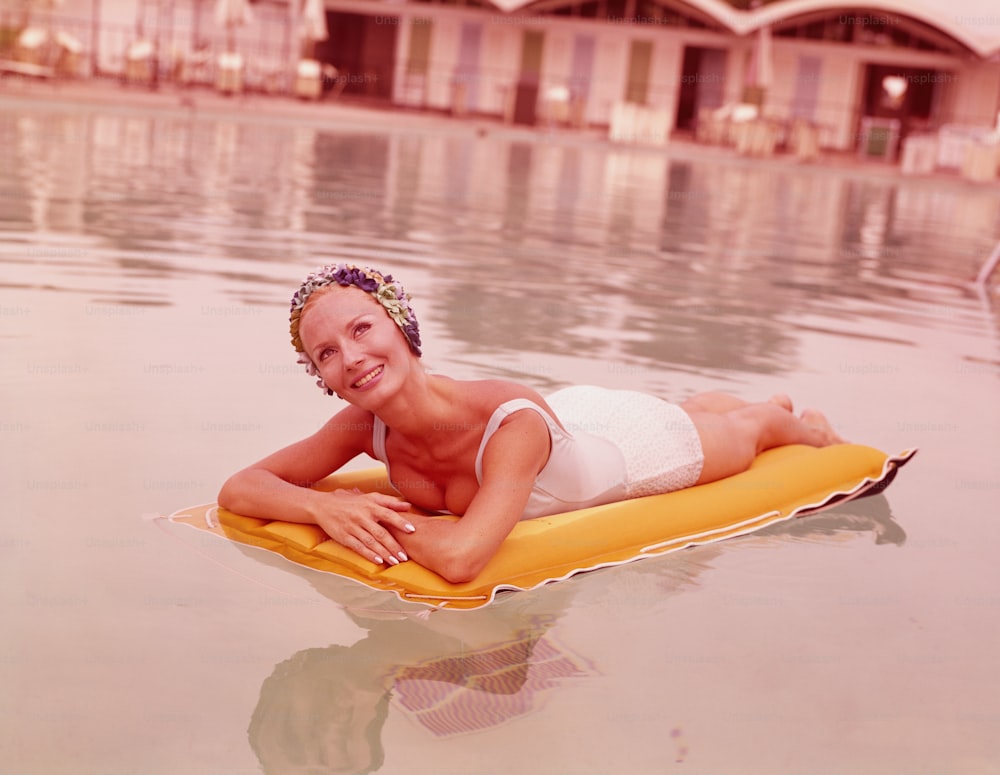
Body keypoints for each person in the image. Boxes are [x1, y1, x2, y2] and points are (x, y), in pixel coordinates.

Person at [218, 264, 844, 584]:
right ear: (321, 376)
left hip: (635, 450)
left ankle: (788, 417)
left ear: (402, 328)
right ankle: (713, 401)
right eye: (327, 353)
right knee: (700, 408)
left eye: (362, 329)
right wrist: (328, 510)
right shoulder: (361, 426)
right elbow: (240, 488)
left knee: (746, 434)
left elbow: (462, 558)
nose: (351, 357)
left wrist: (378, 521)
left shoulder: (507, 420)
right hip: (569, 421)